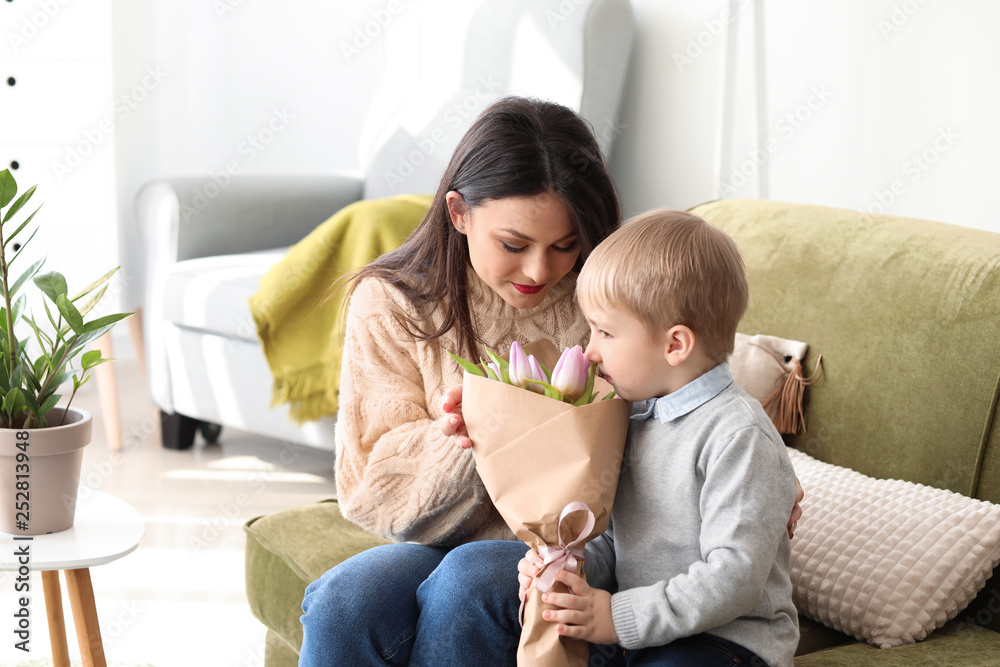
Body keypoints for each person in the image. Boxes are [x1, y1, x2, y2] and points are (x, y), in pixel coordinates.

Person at [298, 96, 623, 666]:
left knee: (467, 584)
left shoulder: (606, 295)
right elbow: (371, 493)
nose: (540, 272)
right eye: (514, 245)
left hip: (572, 546)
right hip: (434, 541)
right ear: (459, 213)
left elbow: (689, 365)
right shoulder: (391, 304)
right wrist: (468, 436)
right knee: (342, 601)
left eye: (565, 246)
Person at [517, 210, 800, 666]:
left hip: (726, 643)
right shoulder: (631, 415)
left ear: (675, 345)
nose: (589, 351)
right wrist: (568, 572)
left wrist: (618, 616)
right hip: (640, 630)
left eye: (605, 332)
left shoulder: (738, 435)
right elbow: (615, 539)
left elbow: (735, 576)